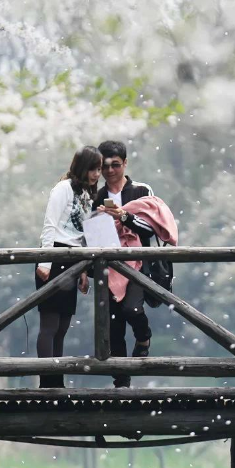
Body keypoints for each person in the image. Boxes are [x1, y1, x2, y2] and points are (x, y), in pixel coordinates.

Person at [93, 141, 156, 388]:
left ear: (125, 163)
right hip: (107, 266)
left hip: (138, 263)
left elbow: (151, 228)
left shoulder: (141, 191)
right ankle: (121, 383)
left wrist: (124, 217)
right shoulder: (96, 195)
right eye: (105, 166)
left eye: (115, 165)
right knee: (113, 325)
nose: (110, 171)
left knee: (132, 310)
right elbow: (91, 233)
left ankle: (144, 338)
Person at [35, 146, 98, 388]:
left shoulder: (86, 194)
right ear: (82, 167)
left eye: (99, 169)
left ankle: (57, 381)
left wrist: (83, 269)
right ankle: (47, 382)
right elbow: (49, 225)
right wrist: (45, 261)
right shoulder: (63, 189)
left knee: (62, 326)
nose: (97, 174)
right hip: (54, 256)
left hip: (73, 259)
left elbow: (82, 234)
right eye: (93, 168)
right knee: (49, 324)